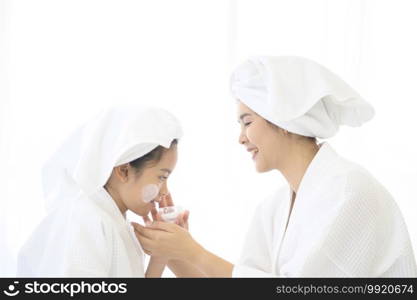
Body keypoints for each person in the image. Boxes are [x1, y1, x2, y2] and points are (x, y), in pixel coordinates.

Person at [133, 56, 417, 277]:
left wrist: (193, 252)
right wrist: (174, 250)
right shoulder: (275, 207)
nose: (241, 138)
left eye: (247, 122)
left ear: (283, 120)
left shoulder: (349, 191)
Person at [17, 105, 188, 277]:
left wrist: (160, 257)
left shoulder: (115, 222)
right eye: (162, 177)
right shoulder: (85, 218)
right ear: (124, 171)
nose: (165, 192)